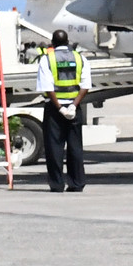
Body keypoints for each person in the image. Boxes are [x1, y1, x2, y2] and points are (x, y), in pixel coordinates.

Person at [35, 29, 90, 192]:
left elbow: (47, 87)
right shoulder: (80, 58)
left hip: (55, 109)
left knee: (54, 148)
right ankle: (77, 183)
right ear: (67, 42)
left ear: (53, 42)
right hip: (75, 107)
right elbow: (85, 85)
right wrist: (73, 106)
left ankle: (57, 184)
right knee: (75, 147)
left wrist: (60, 108)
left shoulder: (47, 60)